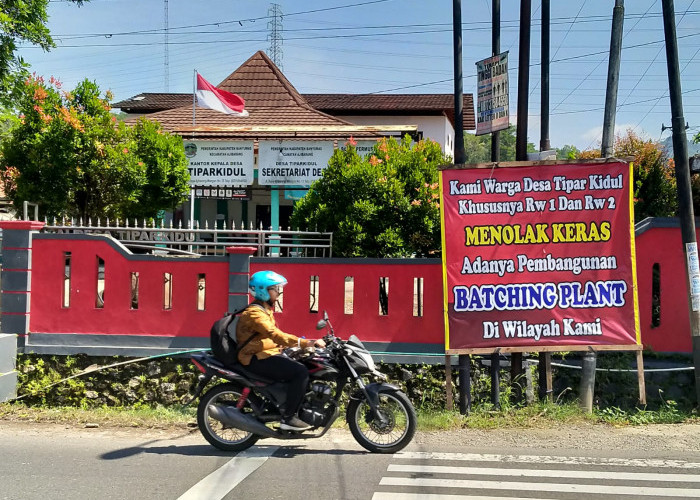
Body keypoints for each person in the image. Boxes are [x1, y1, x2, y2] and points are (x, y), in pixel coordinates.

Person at [236, 270, 325, 431]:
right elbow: (275, 334)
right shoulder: (255, 313)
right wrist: (306, 342)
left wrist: (296, 347)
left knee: (303, 363)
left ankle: (289, 405)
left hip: (266, 353)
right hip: (255, 358)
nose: (278, 292)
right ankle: (288, 418)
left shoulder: (264, 309)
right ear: (263, 290)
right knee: (300, 372)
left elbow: (270, 339)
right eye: (274, 288)